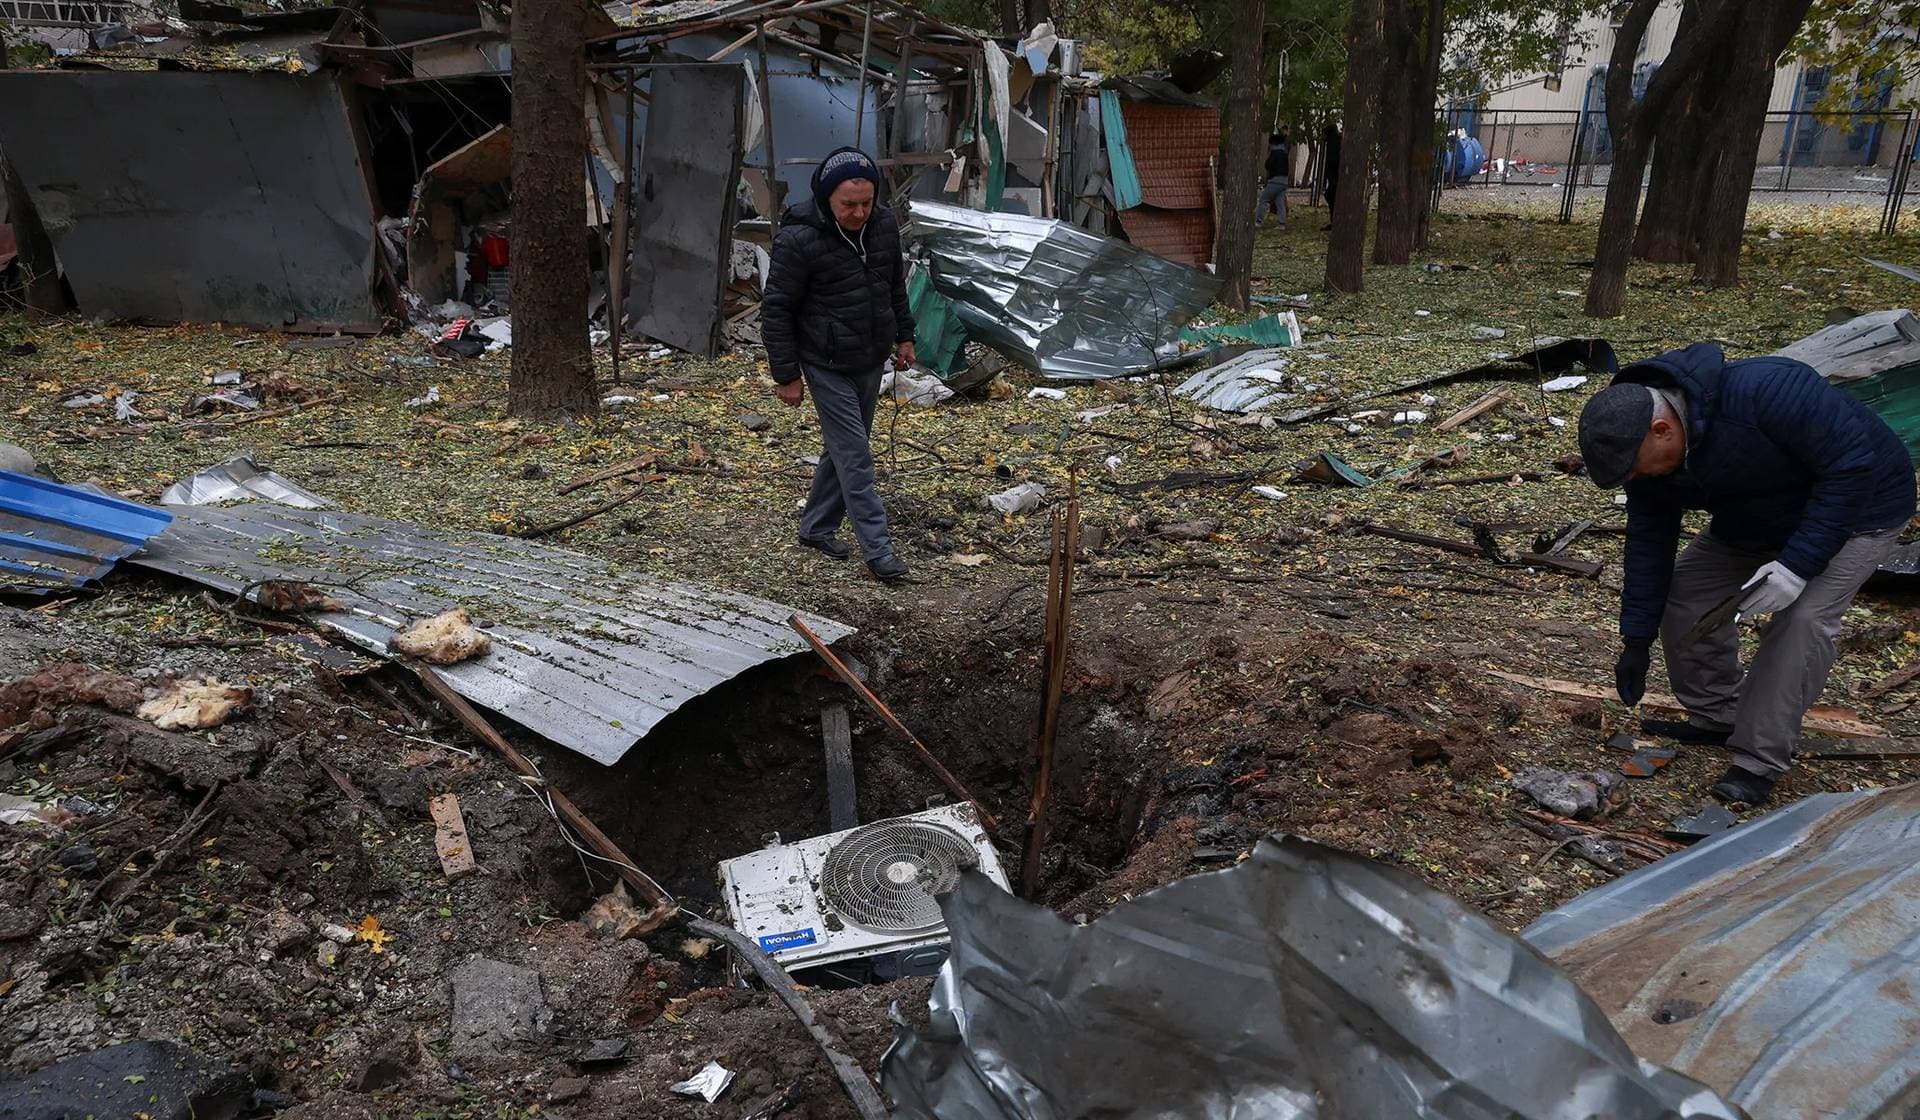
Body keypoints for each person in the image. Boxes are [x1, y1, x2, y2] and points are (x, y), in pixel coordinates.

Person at [1577, 342, 1916, 805]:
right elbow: (1648, 545)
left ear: (1661, 429)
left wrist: (1797, 566)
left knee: (1802, 621)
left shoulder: (1770, 390)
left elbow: (1853, 469)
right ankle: (1719, 712)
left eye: (1638, 468)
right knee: (1687, 594)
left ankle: (1760, 758)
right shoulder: (1649, 464)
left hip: (1861, 510)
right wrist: (1636, 639)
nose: (1638, 479)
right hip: (1755, 518)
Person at [762, 146, 916, 583]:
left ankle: (815, 528)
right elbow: (777, 309)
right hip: (824, 361)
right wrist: (786, 374)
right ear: (827, 198)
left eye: (866, 203)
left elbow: (893, 285)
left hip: (869, 355)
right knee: (856, 457)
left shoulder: (883, 225)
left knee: (843, 449)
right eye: (848, 204)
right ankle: (879, 552)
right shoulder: (798, 238)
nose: (859, 212)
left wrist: (905, 335)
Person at [1256, 130, 1290, 228]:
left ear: (1273, 144)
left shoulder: (1275, 153)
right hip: (1284, 181)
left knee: (1264, 200)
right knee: (1280, 202)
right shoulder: (1284, 153)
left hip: (1275, 180)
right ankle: (1282, 223)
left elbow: (1268, 165)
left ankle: (1258, 220)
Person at [1320, 124, 1342, 214]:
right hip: (1335, 175)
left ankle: (1334, 219)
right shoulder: (1336, 140)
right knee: (1330, 196)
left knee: (1330, 196)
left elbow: (1330, 161)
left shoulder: (1332, 143)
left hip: (1334, 175)